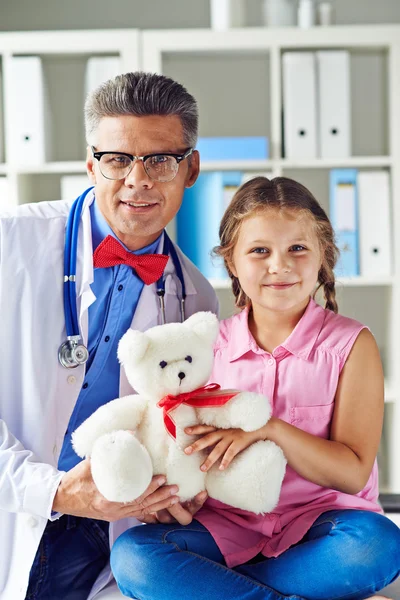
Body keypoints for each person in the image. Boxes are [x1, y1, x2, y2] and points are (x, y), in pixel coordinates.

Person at [111, 176, 400, 600]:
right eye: (259, 251)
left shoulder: (352, 345)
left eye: (297, 249)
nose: (279, 265)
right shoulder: (206, 349)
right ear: (232, 261)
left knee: (378, 545)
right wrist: (179, 496)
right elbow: (183, 444)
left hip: (322, 528)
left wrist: (270, 429)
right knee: (133, 556)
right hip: (227, 529)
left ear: (324, 256)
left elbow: (353, 474)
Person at [0, 71, 219, 600]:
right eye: (118, 159)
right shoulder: (11, 246)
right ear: (91, 163)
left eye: (160, 160)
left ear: (190, 168)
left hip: (116, 534)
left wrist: (184, 489)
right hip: (18, 508)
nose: (137, 181)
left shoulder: (196, 298)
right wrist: (51, 490)